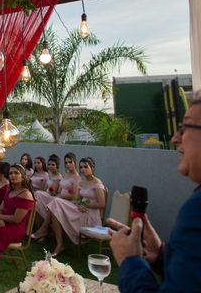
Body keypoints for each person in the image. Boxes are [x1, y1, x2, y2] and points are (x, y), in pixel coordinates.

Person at [109, 90, 201, 292]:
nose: (176, 138)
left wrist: (130, 261)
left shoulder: (196, 211)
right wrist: (161, 256)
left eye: (185, 127)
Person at [0, 163, 35, 285]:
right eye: (11, 173)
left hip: (15, 229)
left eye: (16, 173)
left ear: (23, 176)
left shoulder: (26, 194)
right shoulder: (10, 191)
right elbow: (0, 208)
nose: (13, 175)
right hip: (3, 224)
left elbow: (16, 219)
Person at [45, 157, 105, 256]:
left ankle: (46, 231)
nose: (83, 169)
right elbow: (77, 198)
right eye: (81, 167)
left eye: (86, 167)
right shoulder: (82, 182)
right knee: (56, 204)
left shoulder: (97, 183)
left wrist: (84, 204)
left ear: (92, 168)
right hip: (80, 209)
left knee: (56, 203)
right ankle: (59, 244)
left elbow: (102, 204)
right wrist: (79, 204)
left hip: (90, 214)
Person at [33, 152, 79, 237]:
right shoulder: (66, 175)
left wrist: (59, 195)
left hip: (68, 202)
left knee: (55, 201)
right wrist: (57, 193)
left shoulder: (76, 177)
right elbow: (61, 190)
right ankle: (37, 226)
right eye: (66, 162)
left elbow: (74, 196)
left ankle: (44, 229)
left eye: (70, 162)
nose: (67, 164)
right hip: (59, 197)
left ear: (75, 163)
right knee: (38, 194)